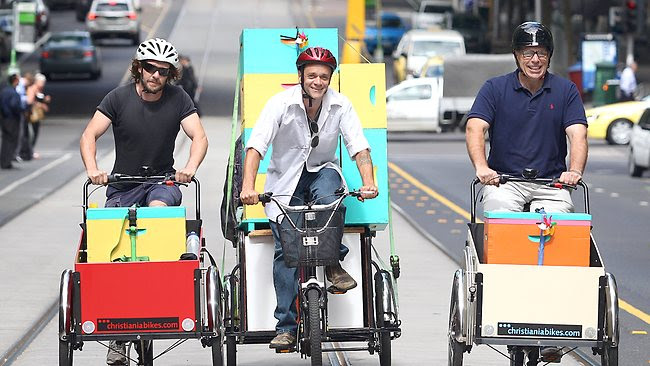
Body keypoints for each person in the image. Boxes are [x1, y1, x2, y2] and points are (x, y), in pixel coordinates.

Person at [79, 38, 208, 365]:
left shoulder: (179, 98)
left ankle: (160, 292)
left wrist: (189, 169)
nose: (155, 76)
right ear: (139, 68)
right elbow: (89, 135)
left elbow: (200, 136)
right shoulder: (117, 98)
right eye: (150, 68)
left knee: (157, 214)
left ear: (170, 75)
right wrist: (94, 170)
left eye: (163, 72)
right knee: (113, 251)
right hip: (122, 186)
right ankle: (119, 337)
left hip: (161, 183)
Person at [240, 46, 378, 350]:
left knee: (331, 193)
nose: (318, 81)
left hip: (320, 172)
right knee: (285, 252)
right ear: (300, 75)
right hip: (284, 181)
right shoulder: (279, 104)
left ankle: (332, 264)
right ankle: (286, 326)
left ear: (331, 78)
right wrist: (248, 186)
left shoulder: (341, 105)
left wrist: (369, 182)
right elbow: (256, 147)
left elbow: (359, 147)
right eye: (312, 75)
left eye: (324, 76)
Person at [465, 21, 588, 363]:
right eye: (528, 52)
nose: (535, 59)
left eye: (542, 53)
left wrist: (574, 171)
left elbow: (577, 135)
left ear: (549, 56)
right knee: (504, 226)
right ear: (517, 56)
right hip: (506, 181)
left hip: (552, 184)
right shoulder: (495, 88)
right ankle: (503, 306)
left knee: (561, 237)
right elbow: (476, 127)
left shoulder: (565, 91)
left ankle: (555, 319)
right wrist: (482, 168)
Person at [24, 73, 50, 160]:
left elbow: (39, 100)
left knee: (35, 132)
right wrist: (41, 105)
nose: (43, 84)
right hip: (31, 115)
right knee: (30, 133)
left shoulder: (39, 90)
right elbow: (30, 101)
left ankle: (30, 150)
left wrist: (45, 100)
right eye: (41, 82)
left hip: (37, 116)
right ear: (37, 81)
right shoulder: (32, 89)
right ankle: (28, 151)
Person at [1, 74, 24, 169]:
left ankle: (3, 160)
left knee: (5, 140)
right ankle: (7, 162)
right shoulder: (14, 93)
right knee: (12, 140)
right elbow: (14, 105)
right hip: (12, 119)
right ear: (15, 81)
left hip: (4, 118)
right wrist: (21, 110)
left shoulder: (3, 91)